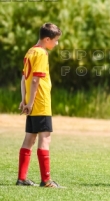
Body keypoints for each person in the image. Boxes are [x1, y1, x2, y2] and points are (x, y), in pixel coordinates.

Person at [17, 23, 63, 188]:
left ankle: (22, 178)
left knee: (29, 138)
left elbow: (24, 79)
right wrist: (29, 102)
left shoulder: (30, 51)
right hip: (41, 102)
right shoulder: (42, 53)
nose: (56, 44)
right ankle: (46, 181)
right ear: (47, 39)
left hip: (31, 101)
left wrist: (24, 100)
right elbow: (35, 79)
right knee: (45, 138)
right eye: (56, 41)